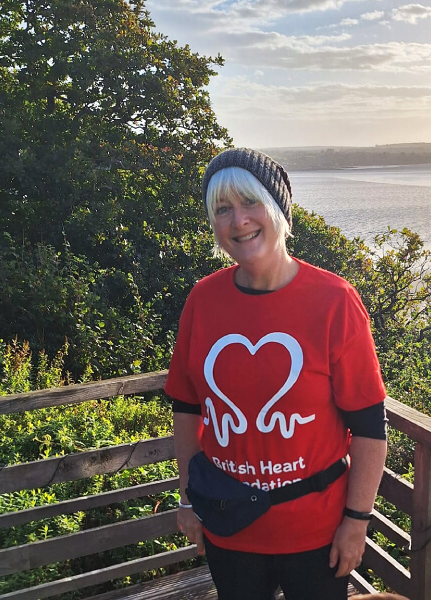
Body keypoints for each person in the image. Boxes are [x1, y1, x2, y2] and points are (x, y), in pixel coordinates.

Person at [165, 148, 388, 600]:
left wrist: (357, 521)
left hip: (316, 532)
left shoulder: (334, 301)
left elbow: (369, 426)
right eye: (222, 209)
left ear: (279, 209)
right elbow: (187, 410)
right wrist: (188, 500)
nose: (238, 221)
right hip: (229, 523)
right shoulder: (202, 301)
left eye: (250, 202)